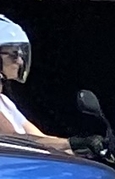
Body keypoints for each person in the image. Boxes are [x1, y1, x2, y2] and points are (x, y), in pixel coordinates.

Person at [0, 14, 75, 154]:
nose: (21, 61)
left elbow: (39, 138)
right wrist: (72, 143)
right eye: (14, 54)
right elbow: (16, 140)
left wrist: (77, 150)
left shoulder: (4, 102)